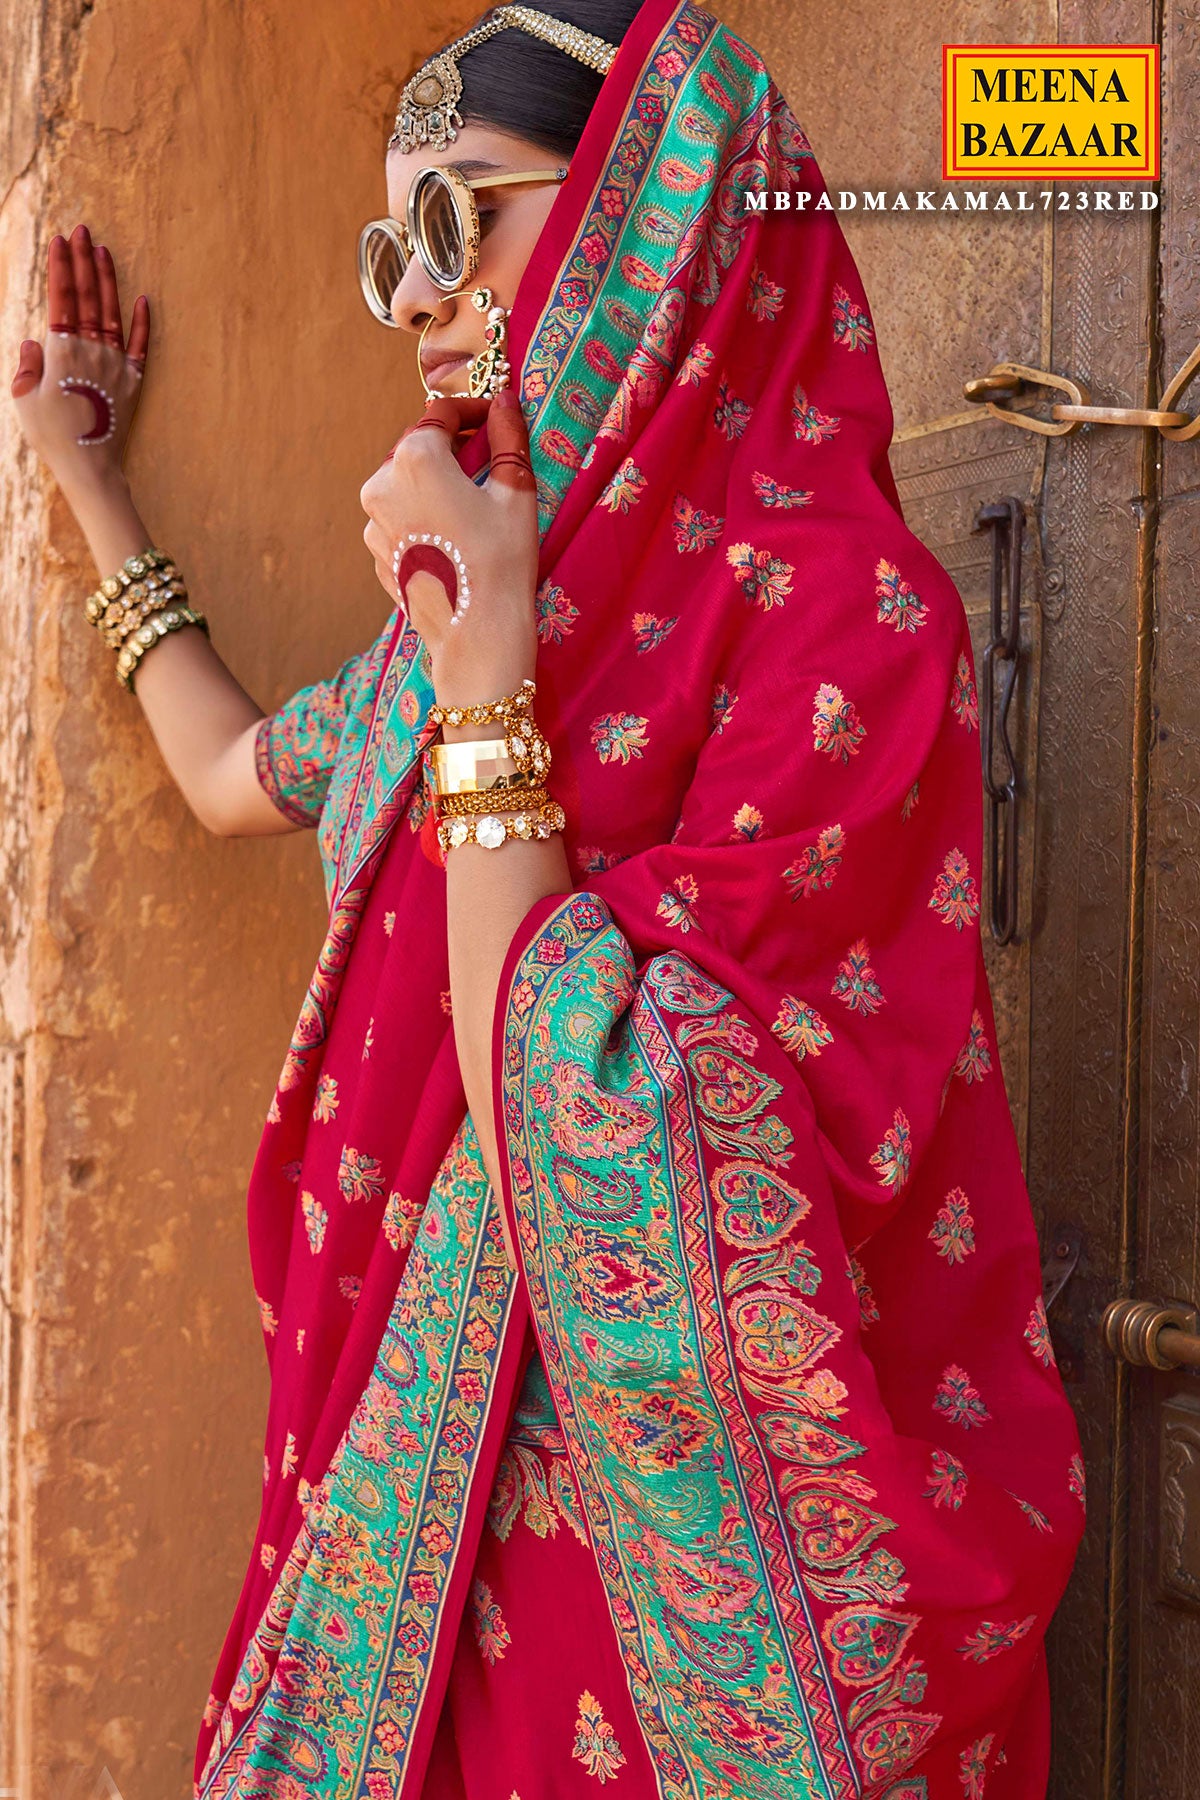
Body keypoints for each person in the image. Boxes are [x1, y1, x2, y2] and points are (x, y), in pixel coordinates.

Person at [10, 1, 1087, 1794]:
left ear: (645, 218)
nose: (421, 300)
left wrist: (493, 687)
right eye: (390, 257)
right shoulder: (493, 599)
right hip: (397, 1536)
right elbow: (225, 772)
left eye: (464, 223)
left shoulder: (848, 620)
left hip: (659, 1592)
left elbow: (602, 1144)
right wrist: (79, 472)